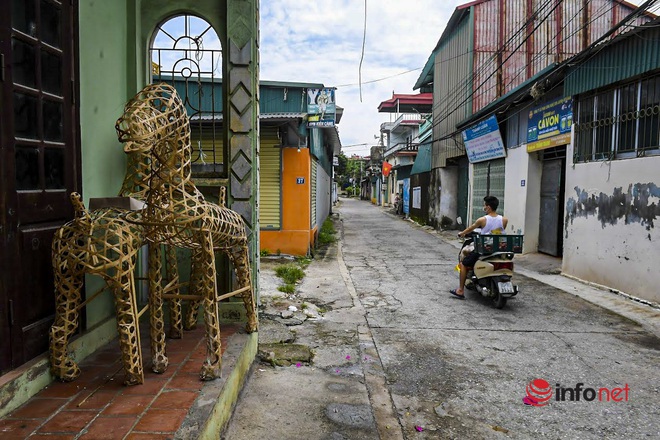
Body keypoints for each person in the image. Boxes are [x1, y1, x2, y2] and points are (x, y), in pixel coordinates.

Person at [450, 195, 508, 300]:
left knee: (463, 264)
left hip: (485, 249)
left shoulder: (482, 220)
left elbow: (470, 228)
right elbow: (499, 232)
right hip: (499, 249)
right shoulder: (504, 220)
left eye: (484, 205)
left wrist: (461, 233)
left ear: (489, 207)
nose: (484, 207)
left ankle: (460, 290)